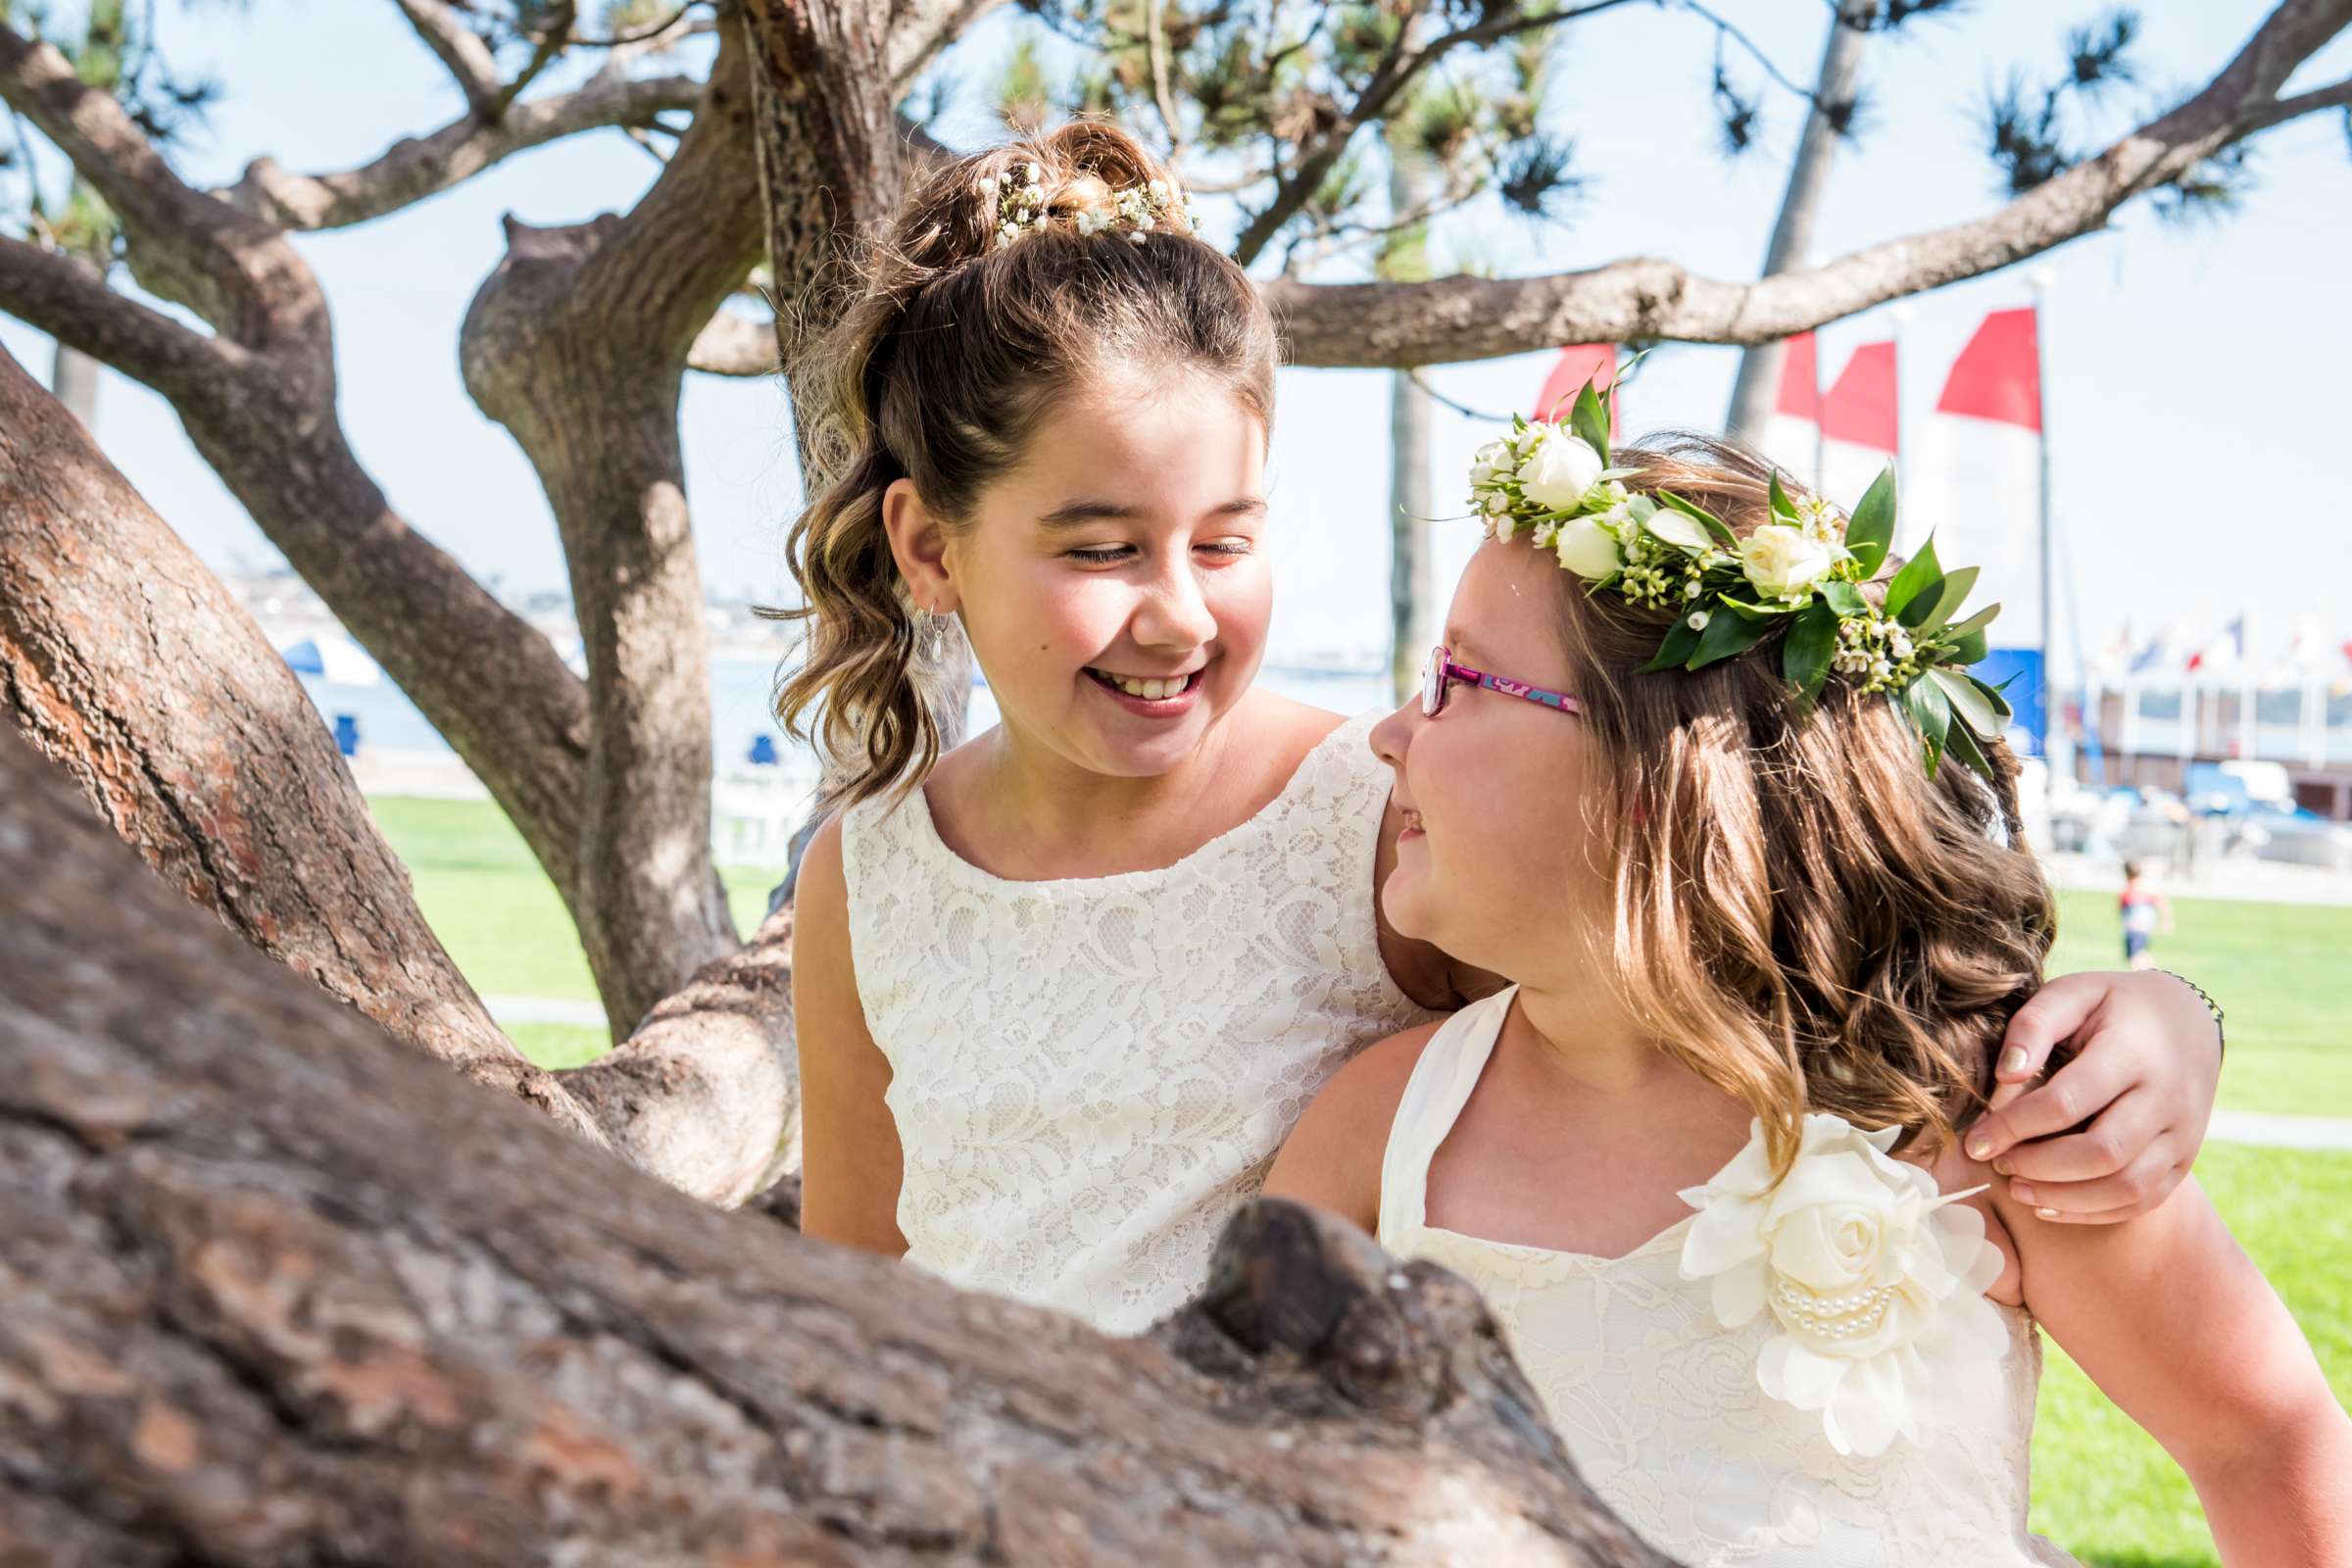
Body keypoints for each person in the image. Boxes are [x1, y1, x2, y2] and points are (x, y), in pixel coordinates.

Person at [782, 122, 2228, 1337]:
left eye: (1225, 543)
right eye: (1101, 551)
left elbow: (1770, 982)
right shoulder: (872, 873)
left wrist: (2170, 1021)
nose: (1176, 613)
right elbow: (858, 1304)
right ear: (927, 547)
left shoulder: (1388, 819)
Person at [1266, 432, 2347, 1564]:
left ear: (1656, 773)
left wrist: (2177, 1008)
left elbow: (2266, 1438)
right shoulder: (1384, 1134)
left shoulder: (1980, 1115)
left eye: (1456, 682)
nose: (1391, 732)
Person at [2120, 858, 2175, 969]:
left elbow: (2122, 910)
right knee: (2141, 953)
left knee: (2135, 956)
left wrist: (2166, 921)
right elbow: (2163, 904)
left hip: (2135, 929)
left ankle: (2143, 977)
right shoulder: (2142, 889)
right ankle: (2153, 974)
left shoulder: (2132, 890)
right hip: (2141, 928)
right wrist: (2166, 921)